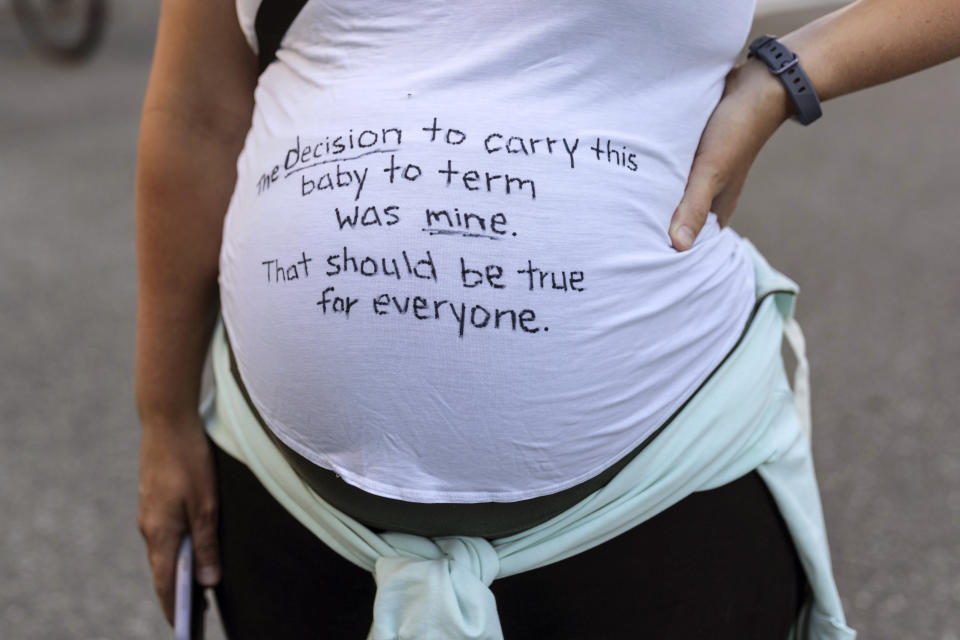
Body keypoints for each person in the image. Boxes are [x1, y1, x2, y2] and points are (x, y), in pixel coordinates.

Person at [134, 0, 960, 638]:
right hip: (291, 514)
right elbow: (196, 112)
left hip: (660, 498)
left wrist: (791, 69)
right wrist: (163, 415)